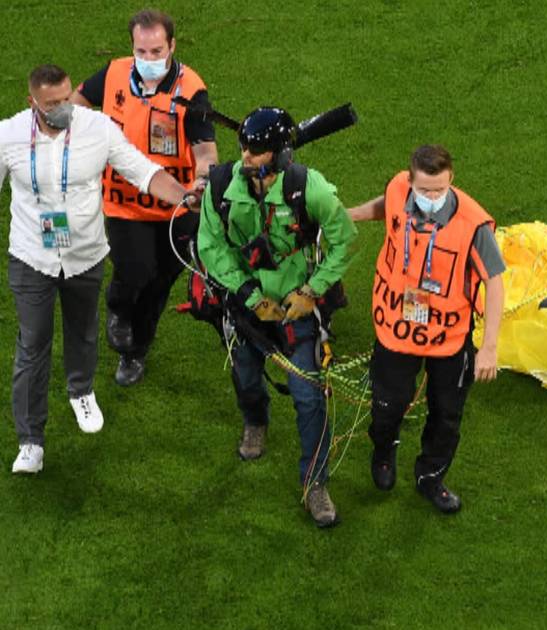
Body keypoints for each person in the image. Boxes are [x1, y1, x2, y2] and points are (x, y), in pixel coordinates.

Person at [1, 64, 196, 474]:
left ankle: (81, 392)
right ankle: (31, 440)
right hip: (32, 257)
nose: (63, 109)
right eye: (52, 104)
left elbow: (142, 171)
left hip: (85, 255)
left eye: (66, 99)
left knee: (84, 330)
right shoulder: (9, 135)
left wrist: (184, 196)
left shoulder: (97, 128)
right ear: (32, 102)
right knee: (33, 343)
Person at [197, 106, 357, 528]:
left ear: (280, 154)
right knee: (246, 377)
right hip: (245, 307)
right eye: (244, 148)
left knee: (308, 397)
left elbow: (344, 239)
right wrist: (250, 296)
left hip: (295, 310)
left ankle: (315, 483)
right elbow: (210, 246)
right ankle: (255, 421)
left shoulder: (308, 189)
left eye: (256, 150)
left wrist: (311, 291)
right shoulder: (221, 187)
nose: (245, 157)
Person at [347, 145, 505, 514]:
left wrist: (489, 347)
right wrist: (351, 214)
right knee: (386, 407)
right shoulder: (398, 188)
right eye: (424, 190)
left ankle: (430, 478)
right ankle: (384, 452)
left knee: (446, 416)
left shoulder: (472, 225)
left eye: (439, 190)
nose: (431, 198)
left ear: (452, 180)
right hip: (396, 330)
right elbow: (387, 206)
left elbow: (495, 282)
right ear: (410, 180)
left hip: (449, 340)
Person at [70, 9, 218, 386]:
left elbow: (205, 151)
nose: (148, 59)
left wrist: (202, 181)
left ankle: (136, 352)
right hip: (124, 202)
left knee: (159, 285)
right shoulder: (114, 73)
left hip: (177, 206)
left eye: (156, 51)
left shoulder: (191, 91)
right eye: (141, 51)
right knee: (135, 270)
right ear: (132, 47)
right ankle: (118, 309)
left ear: (172, 46)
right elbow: (77, 103)